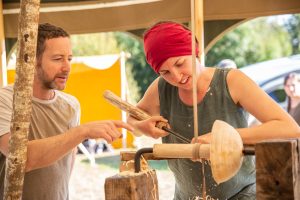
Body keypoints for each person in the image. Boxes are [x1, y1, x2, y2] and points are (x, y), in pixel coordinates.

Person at [128, 21, 300, 200]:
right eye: (165, 72)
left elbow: (290, 128)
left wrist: (226, 138)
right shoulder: (160, 88)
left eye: (180, 63)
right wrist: (141, 126)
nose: (177, 77)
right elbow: (132, 118)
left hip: (241, 193)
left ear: (194, 50)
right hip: (186, 196)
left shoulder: (232, 81)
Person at [0, 23, 133, 200]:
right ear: (31, 59)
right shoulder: (5, 100)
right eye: (57, 59)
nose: (67, 67)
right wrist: (82, 132)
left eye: (69, 58)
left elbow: (67, 162)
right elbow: (21, 158)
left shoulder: (71, 105)